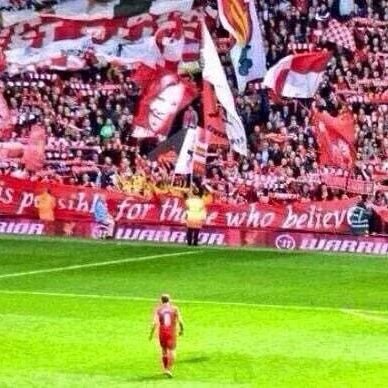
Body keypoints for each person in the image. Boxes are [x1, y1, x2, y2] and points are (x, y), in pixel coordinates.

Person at [149, 294, 184, 378]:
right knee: (172, 350)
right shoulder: (175, 309)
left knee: (164, 350)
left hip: (162, 332)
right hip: (171, 332)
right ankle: (169, 369)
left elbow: (154, 323)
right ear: (169, 300)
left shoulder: (159, 309)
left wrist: (151, 334)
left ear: (161, 300)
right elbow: (180, 321)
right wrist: (182, 330)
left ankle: (165, 369)